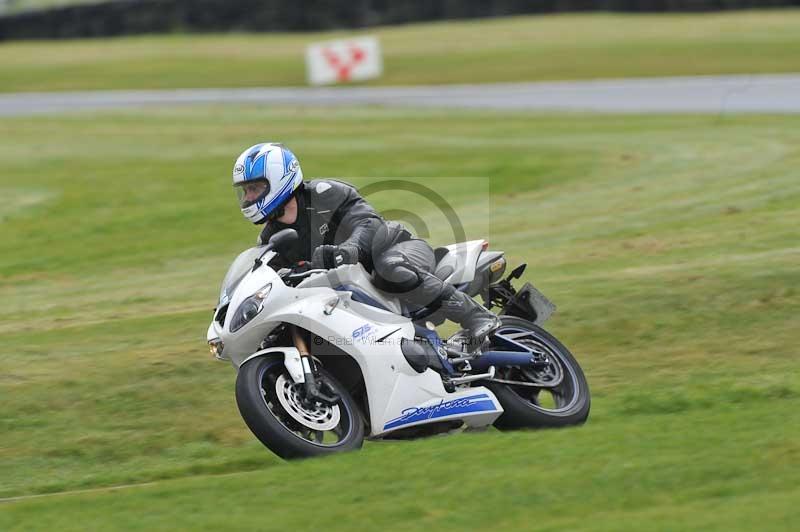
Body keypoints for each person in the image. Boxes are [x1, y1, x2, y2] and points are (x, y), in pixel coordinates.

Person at [232, 142, 500, 347]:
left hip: (397, 249)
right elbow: (270, 278)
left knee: (388, 269)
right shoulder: (271, 239)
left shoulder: (326, 194)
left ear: (279, 179)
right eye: (245, 191)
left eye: (255, 188)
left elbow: (370, 223)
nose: (248, 197)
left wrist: (349, 250)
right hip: (349, 289)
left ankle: (476, 316)